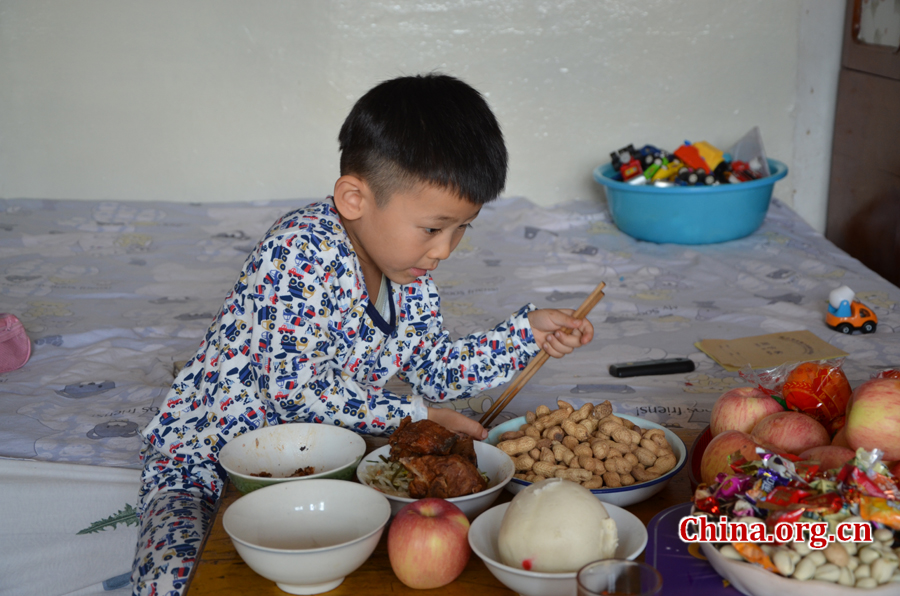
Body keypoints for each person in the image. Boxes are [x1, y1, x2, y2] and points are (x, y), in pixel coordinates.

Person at [130, 73, 594, 595]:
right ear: (354, 198)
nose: (445, 250)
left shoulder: (410, 275)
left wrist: (524, 335)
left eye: (462, 228)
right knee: (176, 580)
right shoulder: (299, 253)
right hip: (208, 466)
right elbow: (295, 390)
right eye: (432, 228)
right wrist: (412, 417)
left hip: (320, 468)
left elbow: (436, 370)